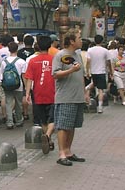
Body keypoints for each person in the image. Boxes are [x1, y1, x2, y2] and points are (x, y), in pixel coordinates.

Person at [52, 28, 89, 167]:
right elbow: (55, 74)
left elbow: (82, 76)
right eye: (79, 38)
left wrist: (85, 92)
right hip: (65, 96)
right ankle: (61, 153)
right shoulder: (60, 55)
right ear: (72, 41)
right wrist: (71, 70)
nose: (81, 40)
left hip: (77, 96)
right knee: (63, 125)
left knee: (72, 125)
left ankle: (68, 151)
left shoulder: (78, 55)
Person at [24, 35, 55, 154]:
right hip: (52, 93)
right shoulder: (54, 59)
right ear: (49, 45)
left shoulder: (32, 61)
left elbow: (29, 79)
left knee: (43, 120)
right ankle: (47, 136)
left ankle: (47, 138)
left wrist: (27, 93)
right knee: (53, 118)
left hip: (38, 93)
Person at [0, 42, 27, 129]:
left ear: (9, 50)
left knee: (8, 103)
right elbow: (24, 76)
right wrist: (26, 87)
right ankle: (19, 120)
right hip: (19, 86)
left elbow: (1, 74)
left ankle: (9, 122)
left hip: (7, 86)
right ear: (17, 49)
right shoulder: (22, 61)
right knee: (18, 103)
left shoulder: (4, 62)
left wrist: (1, 83)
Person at [86, 35, 112, 113]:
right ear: (102, 41)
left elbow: (88, 61)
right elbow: (108, 62)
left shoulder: (90, 50)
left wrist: (87, 71)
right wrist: (110, 71)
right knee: (100, 90)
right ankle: (100, 107)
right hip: (101, 71)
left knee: (92, 85)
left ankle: (88, 100)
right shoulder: (105, 50)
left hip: (93, 71)